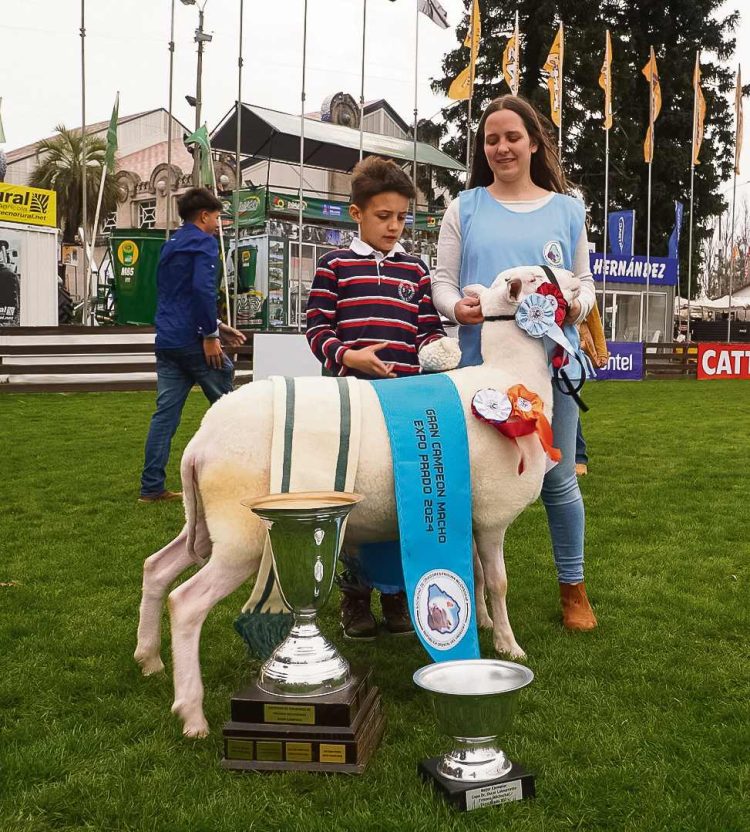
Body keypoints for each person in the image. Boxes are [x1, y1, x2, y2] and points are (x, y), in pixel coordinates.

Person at [431, 95, 598, 631]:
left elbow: (586, 284)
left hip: (554, 368)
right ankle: (469, 593)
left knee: (556, 479)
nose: (501, 147)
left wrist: (574, 304)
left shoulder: (569, 210)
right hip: (477, 371)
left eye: (512, 137)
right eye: (491, 139)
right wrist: (455, 307)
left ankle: (573, 588)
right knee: (466, 480)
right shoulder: (465, 207)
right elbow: (442, 281)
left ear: (533, 142)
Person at [305, 156, 447, 639]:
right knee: (354, 501)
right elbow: (316, 329)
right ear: (356, 214)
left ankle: (399, 597)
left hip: (406, 408)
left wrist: (441, 353)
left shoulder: (417, 270)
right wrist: (349, 356)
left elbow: (427, 331)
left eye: (402, 216)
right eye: (383, 216)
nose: (393, 225)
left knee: (404, 495)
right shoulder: (334, 266)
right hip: (350, 406)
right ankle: (354, 598)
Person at [139, 187, 246, 503]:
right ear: (203, 216)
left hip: (169, 341)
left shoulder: (170, 245)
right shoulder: (204, 243)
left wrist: (218, 326)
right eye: (216, 217)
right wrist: (210, 336)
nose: (218, 223)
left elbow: (178, 294)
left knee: (164, 417)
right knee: (231, 409)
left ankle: (151, 487)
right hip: (194, 342)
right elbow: (201, 291)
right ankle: (240, 475)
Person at [576, 304, 609, 476]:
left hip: (572, 354)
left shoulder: (582, 285)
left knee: (570, 408)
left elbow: (594, 320)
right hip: (541, 353)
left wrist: (601, 352)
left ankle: (579, 457)